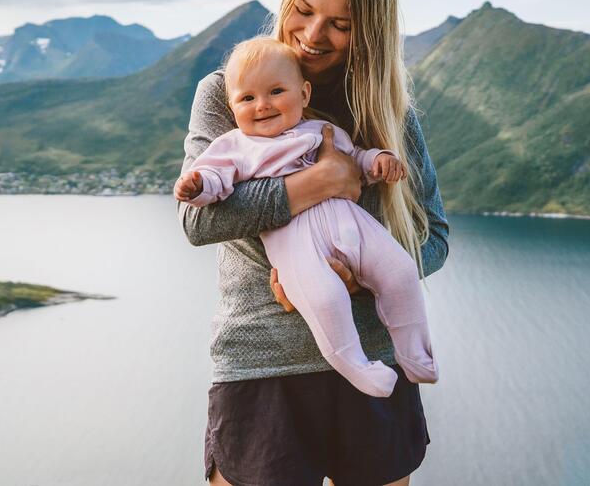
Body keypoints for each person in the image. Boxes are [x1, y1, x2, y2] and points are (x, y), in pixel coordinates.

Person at [178, 0, 449, 486]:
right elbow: (197, 219)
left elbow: (436, 238)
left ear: (370, 29)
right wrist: (320, 183)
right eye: (303, 11)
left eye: (340, 24)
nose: (312, 35)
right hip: (261, 362)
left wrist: (355, 277)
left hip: (375, 362)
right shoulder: (230, 91)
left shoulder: (387, 110)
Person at [176, 36, 438, 398]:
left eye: (276, 92)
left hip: (352, 225)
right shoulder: (234, 145)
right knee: (326, 299)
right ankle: (358, 368)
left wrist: (378, 161)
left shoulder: (320, 131)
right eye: (247, 98)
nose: (263, 105)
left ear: (304, 95)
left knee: (400, 271)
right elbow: (213, 184)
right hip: (295, 242)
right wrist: (197, 184)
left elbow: (356, 158)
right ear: (231, 107)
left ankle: (415, 353)